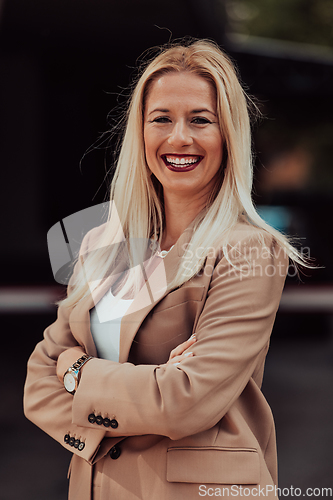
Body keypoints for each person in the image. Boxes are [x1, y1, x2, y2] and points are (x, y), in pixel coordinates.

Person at [24, 39, 306, 500]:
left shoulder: (249, 249)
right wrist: (137, 396)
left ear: (228, 134)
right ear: (140, 132)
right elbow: (38, 381)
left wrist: (78, 374)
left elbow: (185, 400)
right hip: (96, 486)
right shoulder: (101, 243)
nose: (180, 138)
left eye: (200, 120)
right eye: (161, 119)